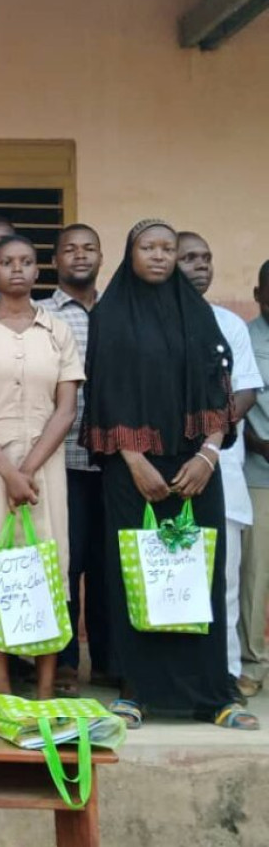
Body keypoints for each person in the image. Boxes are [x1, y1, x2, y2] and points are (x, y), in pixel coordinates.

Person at [83, 219, 256, 730]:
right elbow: (102, 397)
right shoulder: (109, 315)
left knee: (197, 573)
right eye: (148, 248)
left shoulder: (201, 317)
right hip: (130, 468)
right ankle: (137, 690)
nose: (159, 257)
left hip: (196, 467)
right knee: (137, 576)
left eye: (168, 250)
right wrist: (134, 459)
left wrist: (207, 455)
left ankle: (213, 695)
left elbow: (221, 395)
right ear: (130, 254)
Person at [0, 234, 82, 707]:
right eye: (7, 262)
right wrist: (8, 472)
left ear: (38, 269)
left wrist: (25, 470)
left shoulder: (57, 330)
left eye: (27, 261)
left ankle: (44, 689)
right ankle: (2, 687)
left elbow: (65, 409)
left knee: (46, 570)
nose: (18, 270)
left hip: (45, 467)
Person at [177, 231, 263, 687]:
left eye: (206, 258)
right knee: (171, 577)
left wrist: (205, 431)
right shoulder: (151, 320)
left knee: (223, 580)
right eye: (189, 257)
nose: (200, 266)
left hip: (220, 464)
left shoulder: (230, 324)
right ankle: (175, 675)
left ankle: (226, 671)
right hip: (165, 467)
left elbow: (246, 391)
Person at [36, 224, 111, 696]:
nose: (79, 257)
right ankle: (63, 660)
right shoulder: (41, 315)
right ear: (55, 260)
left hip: (119, 462)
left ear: (102, 257)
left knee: (109, 567)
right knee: (64, 563)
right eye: (70, 250)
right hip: (60, 459)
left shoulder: (121, 310)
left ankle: (108, 661)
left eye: (89, 249)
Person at [240, 260, 269, 699]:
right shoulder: (244, 336)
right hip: (259, 471)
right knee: (254, 575)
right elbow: (234, 399)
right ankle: (251, 662)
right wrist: (257, 442)